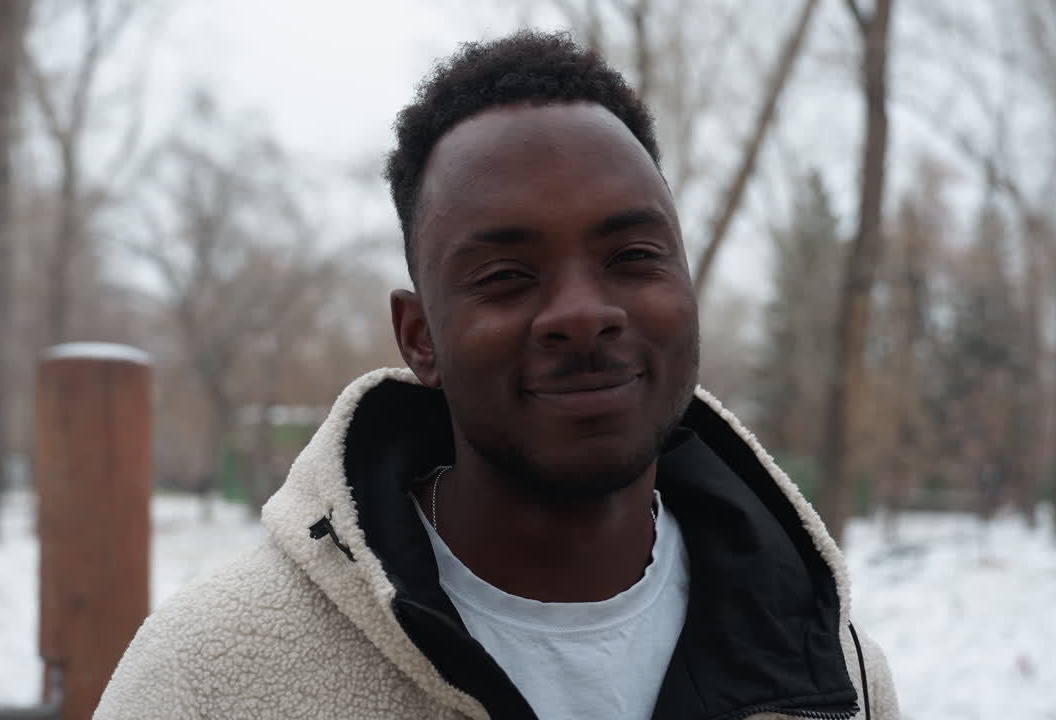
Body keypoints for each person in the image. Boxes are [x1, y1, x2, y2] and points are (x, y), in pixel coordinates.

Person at [96, 30, 899, 720]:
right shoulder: (209, 677)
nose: (583, 314)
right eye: (507, 276)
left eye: (632, 256)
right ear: (420, 339)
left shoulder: (833, 674)